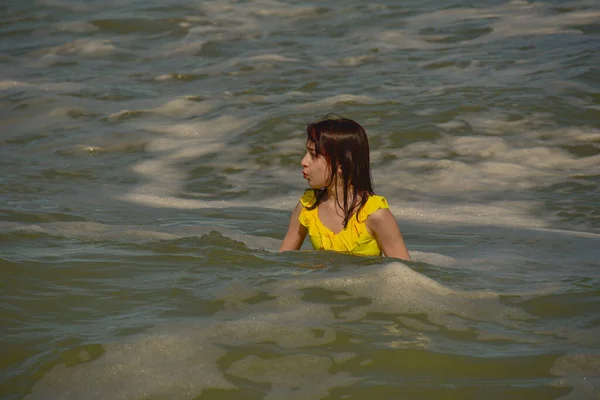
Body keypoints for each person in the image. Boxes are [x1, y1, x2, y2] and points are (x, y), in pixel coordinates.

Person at [279, 115, 411, 260]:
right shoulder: (307, 207)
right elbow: (281, 263)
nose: (303, 161)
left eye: (313, 155)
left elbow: (405, 275)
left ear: (341, 164)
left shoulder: (375, 215)